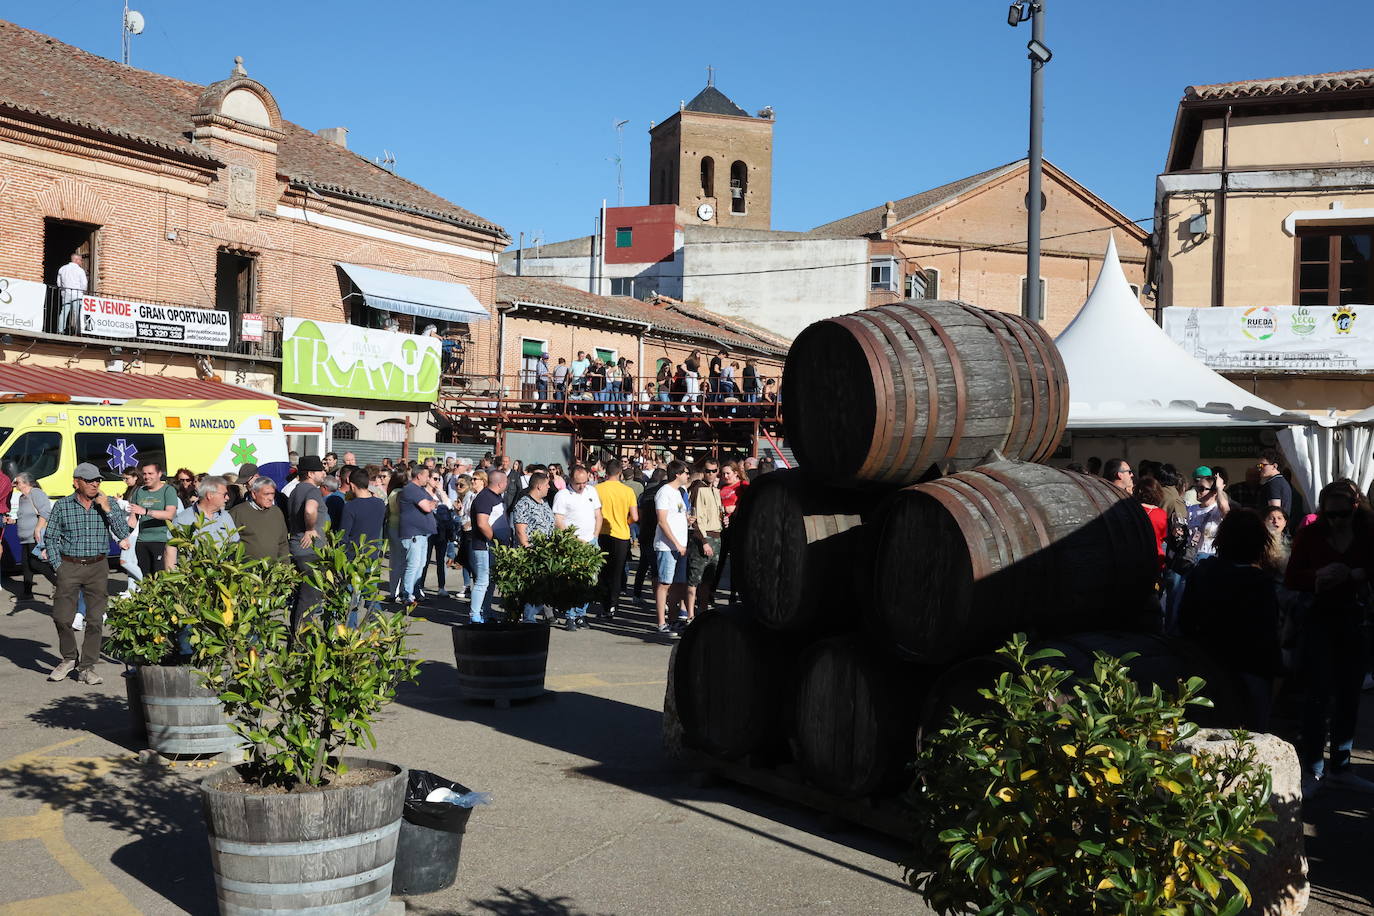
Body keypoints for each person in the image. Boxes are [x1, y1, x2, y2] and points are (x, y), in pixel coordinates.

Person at [1284, 480, 1374, 796]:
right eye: (1329, 514)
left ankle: (1341, 766)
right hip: (1318, 619)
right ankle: (1314, 769)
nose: (1335, 520)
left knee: (1349, 695)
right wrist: (1318, 576)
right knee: (1317, 695)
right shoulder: (1311, 533)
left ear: (1354, 507)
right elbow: (1292, 576)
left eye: (1341, 514)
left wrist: (1357, 573)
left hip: (1355, 619)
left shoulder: (1367, 533)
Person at [1179, 509, 1284, 731]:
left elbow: (1184, 620)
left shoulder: (1203, 573)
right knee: (1250, 740)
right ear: (1260, 543)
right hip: (1251, 668)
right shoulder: (1261, 583)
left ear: (1222, 539)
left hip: (1207, 663)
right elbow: (1268, 635)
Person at [40, 463, 131, 685]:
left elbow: (123, 533)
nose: (95, 484)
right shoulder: (62, 506)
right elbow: (50, 538)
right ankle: (69, 658)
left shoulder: (106, 504)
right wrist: (57, 565)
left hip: (98, 566)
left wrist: (108, 508)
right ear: (76, 482)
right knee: (61, 617)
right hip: (68, 566)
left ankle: (87, 667)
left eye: (97, 480)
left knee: (95, 620)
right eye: (89, 480)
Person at [553, 466, 603, 629]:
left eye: (584, 482)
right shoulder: (563, 495)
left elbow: (598, 514)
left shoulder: (591, 491)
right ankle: (570, 616)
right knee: (572, 581)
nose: (582, 486)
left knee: (590, 581)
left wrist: (595, 535)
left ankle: (582, 614)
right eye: (578, 483)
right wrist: (573, 539)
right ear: (570, 481)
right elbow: (559, 521)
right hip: (573, 543)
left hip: (591, 541)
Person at [287, 456, 328, 625]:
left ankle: (295, 640)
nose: (324, 473)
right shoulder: (312, 491)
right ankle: (301, 642)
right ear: (311, 473)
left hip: (298, 550)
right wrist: (310, 528)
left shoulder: (296, 490)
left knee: (301, 599)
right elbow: (310, 510)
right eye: (321, 471)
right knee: (309, 602)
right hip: (310, 553)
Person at [164, 476, 238, 569]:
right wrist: (172, 578)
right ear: (210, 495)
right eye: (225, 494)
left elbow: (235, 544)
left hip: (221, 575)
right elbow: (171, 548)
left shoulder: (226, 517)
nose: (227, 498)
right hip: (194, 577)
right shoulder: (183, 519)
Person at [596, 459, 638, 621]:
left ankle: (604, 605)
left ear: (606, 471)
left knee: (604, 571)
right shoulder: (627, 491)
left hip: (602, 533)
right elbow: (635, 516)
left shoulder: (597, 489)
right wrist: (624, 522)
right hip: (621, 534)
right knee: (617, 571)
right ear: (620, 472)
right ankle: (613, 605)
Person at [512, 471, 556, 624]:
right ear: (538, 486)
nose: (549, 487)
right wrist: (528, 549)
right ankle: (528, 619)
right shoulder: (524, 504)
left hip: (546, 552)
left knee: (543, 586)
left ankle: (535, 616)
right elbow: (520, 530)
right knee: (534, 587)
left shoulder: (544, 502)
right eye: (546, 485)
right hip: (532, 553)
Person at [653, 461, 691, 636]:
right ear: (677, 474)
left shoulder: (678, 493)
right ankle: (661, 623)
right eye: (685, 472)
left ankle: (674, 620)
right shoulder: (664, 492)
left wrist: (688, 520)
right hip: (667, 546)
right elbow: (662, 521)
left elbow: (677, 516)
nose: (687, 475)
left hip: (680, 546)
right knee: (664, 584)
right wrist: (675, 543)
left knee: (677, 584)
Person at [468, 469, 510, 624]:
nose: (507, 484)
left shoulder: (495, 497)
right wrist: (494, 539)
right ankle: (475, 615)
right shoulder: (485, 498)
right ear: (500, 483)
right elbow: (482, 523)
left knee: (490, 581)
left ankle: (485, 612)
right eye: (506, 481)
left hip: (492, 546)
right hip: (484, 546)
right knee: (482, 581)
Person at [686, 457, 724, 620]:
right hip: (703, 537)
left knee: (708, 579)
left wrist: (723, 519)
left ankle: (701, 612)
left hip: (717, 536)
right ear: (703, 471)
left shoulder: (716, 491)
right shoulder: (698, 489)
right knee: (694, 579)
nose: (710, 474)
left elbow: (716, 514)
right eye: (707, 471)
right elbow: (696, 518)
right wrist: (704, 541)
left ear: (718, 472)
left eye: (713, 471)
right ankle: (690, 615)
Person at [128, 461, 180, 576]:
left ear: (159, 474)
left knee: (160, 577)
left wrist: (146, 511)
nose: (146, 477)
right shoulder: (139, 491)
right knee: (145, 578)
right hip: (142, 541)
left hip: (162, 540)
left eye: (150, 473)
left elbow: (170, 514)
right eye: (144, 474)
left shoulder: (168, 490)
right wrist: (125, 537)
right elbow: (133, 518)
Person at [398, 466, 438, 606]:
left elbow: (433, 502)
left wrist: (431, 503)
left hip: (422, 534)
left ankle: (415, 592)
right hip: (413, 534)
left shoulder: (420, 490)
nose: (428, 479)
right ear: (419, 476)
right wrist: (431, 504)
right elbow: (427, 507)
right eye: (427, 476)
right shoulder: (411, 489)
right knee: (413, 565)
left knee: (420, 565)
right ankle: (406, 594)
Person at [229, 475, 289, 562]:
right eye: (266, 494)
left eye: (272, 494)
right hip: (248, 570)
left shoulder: (276, 512)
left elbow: (283, 542)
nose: (270, 498)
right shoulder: (238, 512)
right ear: (254, 494)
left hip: (274, 570)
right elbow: (230, 542)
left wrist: (285, 565)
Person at [14, 472, 53, 600]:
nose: (15, 485)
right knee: (26, 565)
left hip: (34, 536)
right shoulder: (22, 498)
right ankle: (27, 593)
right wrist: (12, 521)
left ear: (26, 483)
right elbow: (24, 516)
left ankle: (60, 584)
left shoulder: (36, 493)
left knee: (35, 563)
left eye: (17, 482)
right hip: (25, 538)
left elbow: (45, 511)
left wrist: (38, 528)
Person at [1187, 466, 1229, 560]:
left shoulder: (1217, 510)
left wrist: (1219, 489)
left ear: (1213, 492)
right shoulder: (1190, 509)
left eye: (1201, 488)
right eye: (1197, 487)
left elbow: (1226, 511)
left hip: (1211, 558)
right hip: (1191, 558)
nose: (1197, 491)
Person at [55, 251, 87, 335]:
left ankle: (60, 330)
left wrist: (63, 290)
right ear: (76, 260)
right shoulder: (80, 270)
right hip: (77, 294)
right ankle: (78, 331)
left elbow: (59, 283)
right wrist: (82, 291)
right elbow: (84, 284)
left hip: (66, 294)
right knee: (77, 314)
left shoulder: (62, 268)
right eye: (80, 260)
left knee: (64, 312)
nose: (81, 262)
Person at [1257, 448, 1293, 516]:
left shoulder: (1273, 483)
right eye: (1258, 466)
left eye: (1262, 465)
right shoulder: (1281, 481)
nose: (1259, 468)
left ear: (1274, 466)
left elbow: (1274, 512)